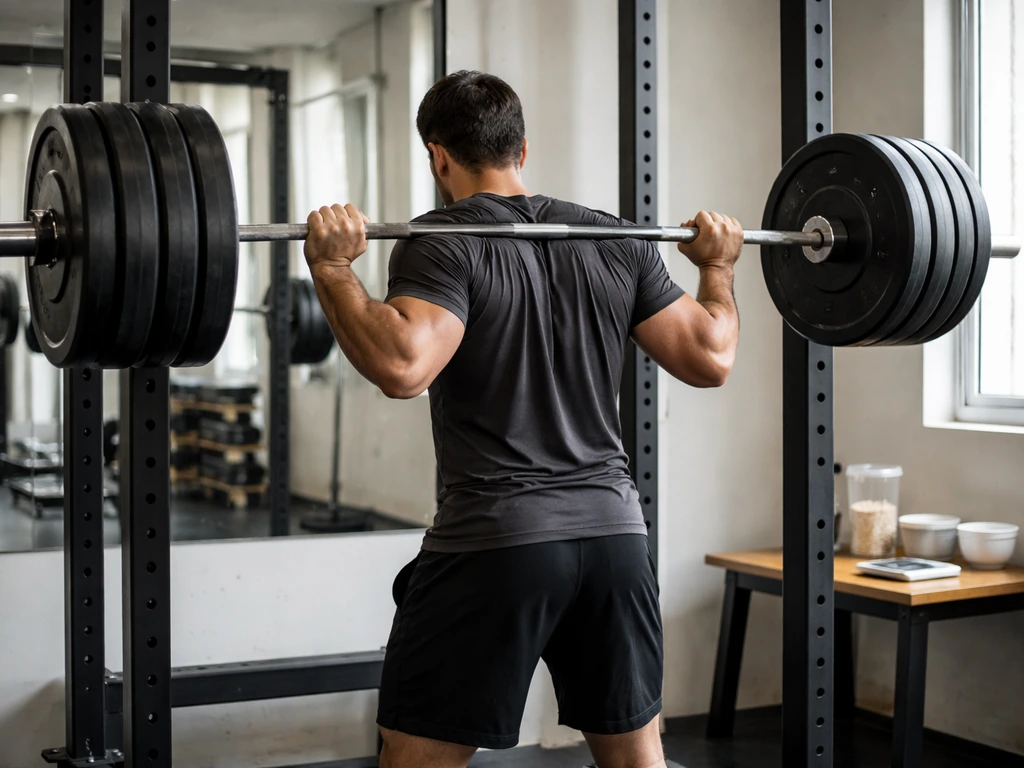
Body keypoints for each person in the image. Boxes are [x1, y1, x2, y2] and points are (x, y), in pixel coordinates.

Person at [303, 70, 742, 768]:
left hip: (496, 544)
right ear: (522, 150)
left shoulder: (442, 240)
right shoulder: (612, 238)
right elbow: (711, 356)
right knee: (637, 761)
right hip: (614, 542)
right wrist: (716, 268)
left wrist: (332, 269)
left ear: (437, 156)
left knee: (415, 759)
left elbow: (403, 367)